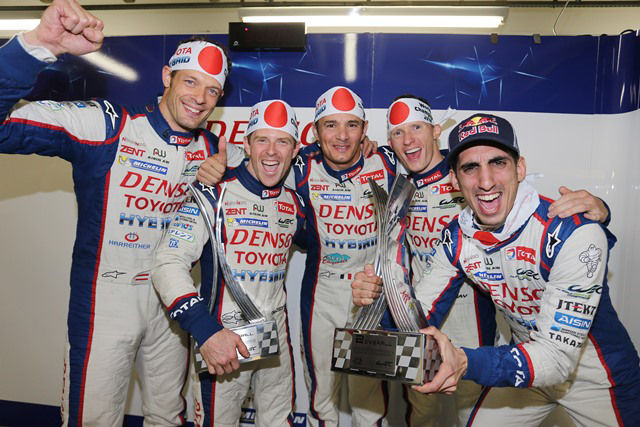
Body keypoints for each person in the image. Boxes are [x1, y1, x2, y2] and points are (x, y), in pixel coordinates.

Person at [0, 0, 244, 424]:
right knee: (94, 419)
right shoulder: (107, 126)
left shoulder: (212, 150)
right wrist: (38, 44)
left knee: (167, 416)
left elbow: (279, 168)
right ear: (167, 77)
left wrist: (369, 153)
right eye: (191, 82)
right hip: (105, 301)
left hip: (172, 303)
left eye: (212, 91)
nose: (200, 99)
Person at [353, 113, 640, 426]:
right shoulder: (458, 235)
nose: (486, 181)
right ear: (454, 181)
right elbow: (417, 319)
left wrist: (465, 361)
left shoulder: (572, 232)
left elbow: (557, 359)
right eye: (470, 168)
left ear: (520, 169)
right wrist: (378, 303)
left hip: (598, 378)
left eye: (498, 163)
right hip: (527, 365)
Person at [152, 99, 304, 426]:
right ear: (246, 144)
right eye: (262, 139)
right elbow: (166, 262)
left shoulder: (295, 203)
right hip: (223, 336)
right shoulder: (212, 193)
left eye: (283, 142)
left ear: (295, 150)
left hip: (275, 335)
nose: (272, 151)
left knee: (279, 421)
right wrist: (205, 332)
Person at [293, 86, 397, 426]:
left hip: (371, 297)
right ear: (315, 131)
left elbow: (439, 163)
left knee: (368, 402)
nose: (341, 136)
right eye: (331, 125)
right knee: (321, 395)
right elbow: (252, 160)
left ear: (365, 129)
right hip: (322, 296)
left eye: (351, 125)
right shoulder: (301, 169)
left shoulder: (385, 162)